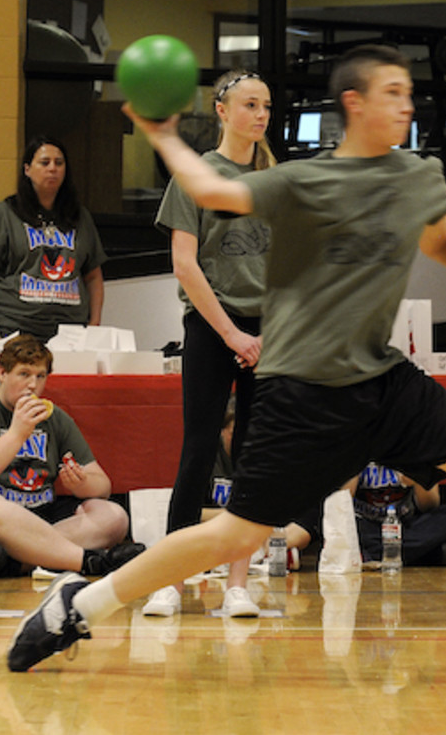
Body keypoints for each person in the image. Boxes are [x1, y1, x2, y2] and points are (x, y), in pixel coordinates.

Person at [8, 44, 446, 685]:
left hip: (382, 377)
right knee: (234, 536)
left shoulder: (415, 175)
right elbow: (207, 186)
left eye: (408, 93)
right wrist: (163, 133)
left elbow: (441, 241)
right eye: (392, 92)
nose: (407, 103)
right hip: (304, 391)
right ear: (354, 104)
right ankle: (77, 605)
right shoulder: (302, 181)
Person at [143, 70, 275, 619]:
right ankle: (169, 579)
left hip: (268, 334)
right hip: (212, 326)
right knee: (199, 448)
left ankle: (238, 582)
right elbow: (184, 262)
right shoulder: (194, 175)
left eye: (267, 105)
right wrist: (231, 334)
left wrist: (270, 332)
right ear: (222, 111)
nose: (261, 114)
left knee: (251, 452)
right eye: (250, 104)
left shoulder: (275, 180)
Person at [0, 334, 144, 577]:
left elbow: (102, 486)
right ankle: (90, 562)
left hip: (37, 515)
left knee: (114, 516)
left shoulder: (55, 418)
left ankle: (14, 562)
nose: (33, 385)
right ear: (2, 373)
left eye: (40, 376)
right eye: (24, 374)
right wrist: (15, 436)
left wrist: (83, 483)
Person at [0, 136, 107, 343]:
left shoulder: (80, 217)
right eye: (44, 162)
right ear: (27, 169)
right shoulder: (5, 214)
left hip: (71, 333)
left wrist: (94, 325)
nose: (53, 168)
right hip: (17, 329)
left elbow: (94, 277)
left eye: (59, 163)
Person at [348, 462, 446, 567]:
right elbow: (341, 502)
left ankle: (371, 555)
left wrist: (419, 479)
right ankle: (419, 554)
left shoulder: (413, 447)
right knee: (335, 526)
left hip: (404, 526)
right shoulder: (357, 444)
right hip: (364, 527)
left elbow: (430, 506)